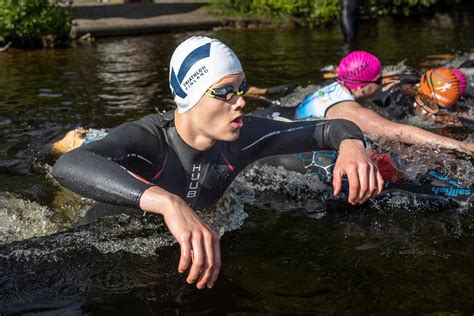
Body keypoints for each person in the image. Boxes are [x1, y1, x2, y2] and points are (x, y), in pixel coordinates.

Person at [52, 36, 383, 290]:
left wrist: (352, 143)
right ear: (189, 95)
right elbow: (69, 165)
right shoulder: (148, 140)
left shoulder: (243, 137)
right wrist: (167, 202)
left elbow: (328, 128)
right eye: (224, 92)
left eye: (240, 88)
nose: (239, 102)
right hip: (111, 241)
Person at [256, 51, 474, 155]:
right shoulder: (348, 110)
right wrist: (460, 145)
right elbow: (399, 131)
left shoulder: (337, 85)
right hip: (281, 145)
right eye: (377, 80)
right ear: (361, 86)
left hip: (274, 116)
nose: (381, 85)